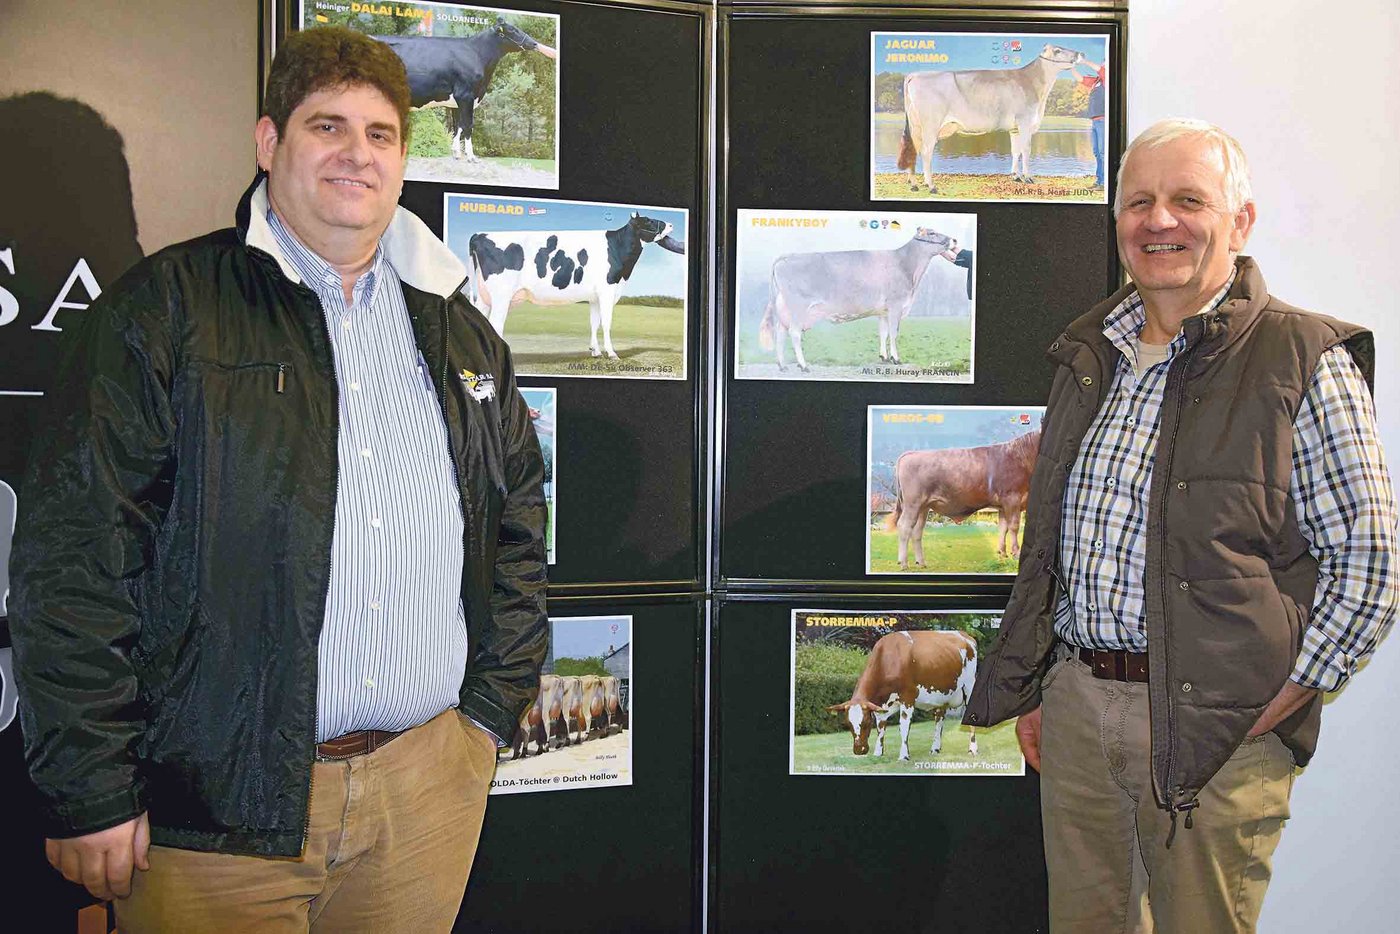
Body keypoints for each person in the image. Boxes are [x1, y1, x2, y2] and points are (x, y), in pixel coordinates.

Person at [9, 27, 548, 933]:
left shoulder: (462, 335)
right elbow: (73, 558)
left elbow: (518, 532)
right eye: (326, 126)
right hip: (216, 815)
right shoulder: (164, 314)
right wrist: (90, 786)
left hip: (425, 795)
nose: (357, 155)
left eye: (380, 134)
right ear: (269, 143)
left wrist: (486, 721)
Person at [965, 118, 1396, 933]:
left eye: (1188, 200)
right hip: (1078, 717)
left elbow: (1370, 566)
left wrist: (1276, 699)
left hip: (1218, 734)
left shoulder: (1304, 357)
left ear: (1241, 221)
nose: (1159, 221)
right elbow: (1055, 544)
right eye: (1140, 202)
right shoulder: (1088, 354)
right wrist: (1043, 681)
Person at [1075, 57, 1107, 188]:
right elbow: (1080, 79)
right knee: (1097, 152)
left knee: (1103, 152)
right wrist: (1070, 66)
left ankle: (1105, 183)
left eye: (1105, 62)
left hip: (1103, 120)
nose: (1102, 64)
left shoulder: (1107, 78)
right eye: (1103, 61)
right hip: (1095, 121)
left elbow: (1100, 69)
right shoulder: (1096, 81)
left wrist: (1083, 61)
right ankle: (1099, 181)